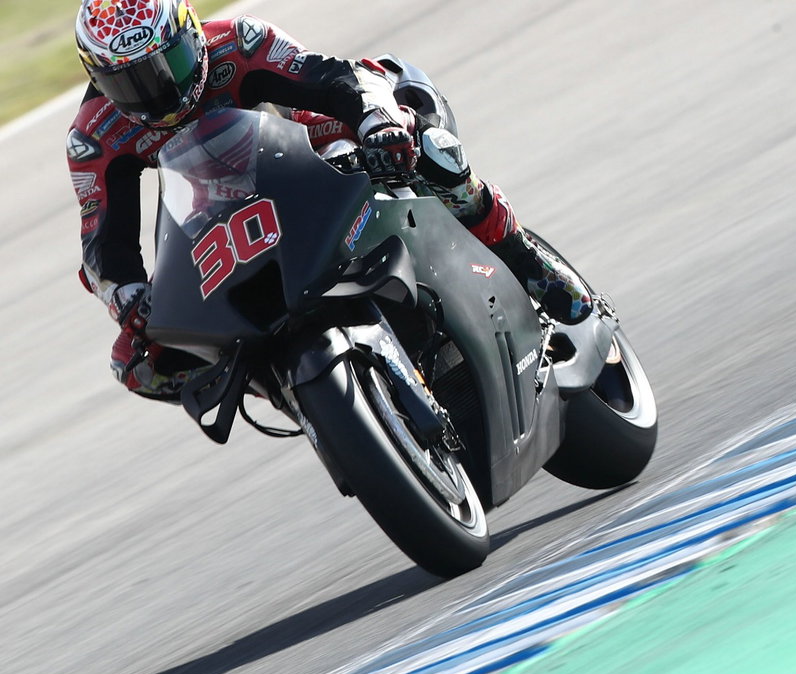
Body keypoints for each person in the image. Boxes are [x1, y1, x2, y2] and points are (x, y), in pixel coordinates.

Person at [69, 0, 592, 401]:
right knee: (139, 364)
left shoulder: (240, 41)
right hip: (219, 225)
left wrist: (376, 121)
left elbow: (329, 78)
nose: (160, 90)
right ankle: (290, 388)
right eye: (131, 82)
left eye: (169, 63)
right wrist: (129, 296)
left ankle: (523, 260)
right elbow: (103, 247)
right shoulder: (94, 138)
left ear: (191, 30)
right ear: (97, 80)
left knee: (422, 146)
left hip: (308, 156)